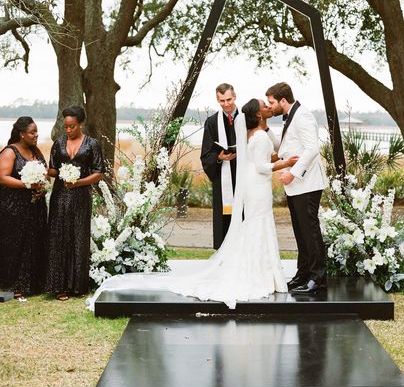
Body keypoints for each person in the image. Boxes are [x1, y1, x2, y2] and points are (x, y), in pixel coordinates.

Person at [88, 98, 297, 310]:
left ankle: (259, 270)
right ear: (259, 114)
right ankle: (260, 272)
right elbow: (262, 166)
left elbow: (263, 156)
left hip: (253, 186)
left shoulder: (252, 134)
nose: (268, 107)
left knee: (255, 225)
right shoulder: (259, 136)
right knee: (258, 224)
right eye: (265, 105)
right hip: (258, 185)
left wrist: (276, 156)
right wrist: (286, 163)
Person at [266, 82, 328, 294]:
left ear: (283, 100)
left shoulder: (303, 116)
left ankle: (318, 278)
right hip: (297, 187)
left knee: (310, 231)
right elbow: (287, 147)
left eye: (271, 102)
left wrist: (293, 173)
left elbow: (312, 149)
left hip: (307, 184)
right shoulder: (292, 116)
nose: (270, 106)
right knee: (301, 232)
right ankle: (303, 274)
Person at [45, 106, 104, 300]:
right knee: (59, 236)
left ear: (80, 124)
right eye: (66, 127)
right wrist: (42, 171)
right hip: (60, 195)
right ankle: (59, 286)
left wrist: (78, 182)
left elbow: (98, 172)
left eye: (72, 126)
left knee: (78, 237)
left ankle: (78, 286)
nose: (68, 130)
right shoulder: (58, 143)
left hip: (80, 196)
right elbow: (53, 168)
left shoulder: (92, 144)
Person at [0, 117, 48, 298]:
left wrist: (42, 186)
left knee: (34, 241)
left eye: (36, 132)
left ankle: (34, 283)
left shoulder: (35, 151)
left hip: (35, 206)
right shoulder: (10, 151)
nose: (36, 135)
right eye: (32, 132)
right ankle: (14, 284)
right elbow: (3, 177)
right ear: (22, 134)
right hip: (14, 206)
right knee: (17, 244)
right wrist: (27, 184)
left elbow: (43, 174)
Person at [200, 83, 239, 248]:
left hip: (242, 175)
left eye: (229, 99)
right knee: (224, 219)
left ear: (235, 96)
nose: (226, 104)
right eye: (221, 101)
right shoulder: (212, 122)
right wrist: (219, 157)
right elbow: (205, 154)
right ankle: (224, 255)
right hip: (222, 176)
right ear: (217, 100)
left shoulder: (246, 118)